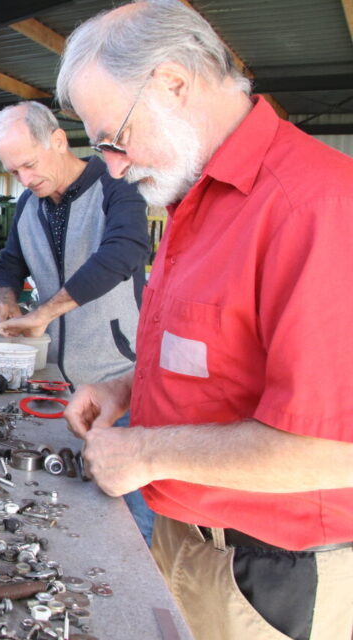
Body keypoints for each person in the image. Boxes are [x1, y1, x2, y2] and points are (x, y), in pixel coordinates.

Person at [55, 1, 353, 639]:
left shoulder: (317, 208)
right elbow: (213, 354)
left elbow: (336, 449)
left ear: (172, 83)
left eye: (114, 137)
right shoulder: (200, 199)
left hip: (271, 578)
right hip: (187, 541)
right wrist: (126, 390)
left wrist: (143, 450)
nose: (112, 164)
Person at [0, 101, 155, 544]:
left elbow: (125, 251)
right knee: (68, 503)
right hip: (57, 381)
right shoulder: (28, 203)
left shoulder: (118, 185)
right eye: (15, 172)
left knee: (130, 515)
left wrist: (46, 312)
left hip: (122, 379)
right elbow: (10, 263)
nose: (25, 180)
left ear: (58, 140)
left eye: (30, 165)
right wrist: (5, 300)